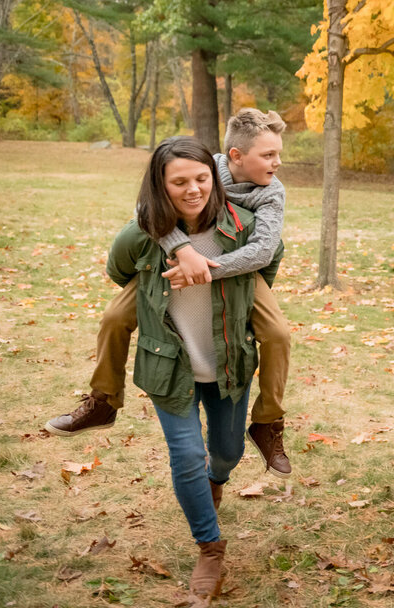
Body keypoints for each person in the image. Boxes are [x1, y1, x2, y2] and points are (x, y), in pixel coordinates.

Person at [45, 109, 294, 478]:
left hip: (235, 269)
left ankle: (267, 422)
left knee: (278, 335)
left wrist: (207, 272)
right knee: (114, 318)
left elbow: (262, 251)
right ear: (236, 156)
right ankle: (103, 401)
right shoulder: (204, 166)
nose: (278, 162)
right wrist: (183, 251)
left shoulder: (272, 192)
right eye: (269, 154)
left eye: (278, 153)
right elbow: (145, 208)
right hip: (172, 261)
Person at [104, 136, 281, 600]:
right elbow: (118, 269)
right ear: (160, 186)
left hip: (228, 363)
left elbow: (269, 264)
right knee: (186, 457)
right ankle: (210, 545)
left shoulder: (243, 227)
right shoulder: (141, 234)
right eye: (179, 182)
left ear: (216, 177)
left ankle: (215, 483)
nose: (193, 189)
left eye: (202, 178)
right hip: (170, 367)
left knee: (225, 453)